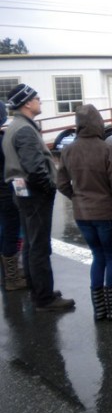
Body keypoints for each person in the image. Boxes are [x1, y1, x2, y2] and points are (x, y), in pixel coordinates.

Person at [2, 84, 75, 311]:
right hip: (34, 196)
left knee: (31, 245)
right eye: (37, 98)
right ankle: (44, 299)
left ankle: (38, 291)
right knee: (39, 246)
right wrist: (49, 187)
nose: (39, 101)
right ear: (26, 103)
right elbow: (34, 168)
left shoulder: (16, 126)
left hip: (23, 193)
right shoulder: (24, 130)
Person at [56, 104, 112, 321]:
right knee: (111, 258)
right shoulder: (107, 150)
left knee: (98, 257)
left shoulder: (68, 150)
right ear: (99, 124)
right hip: (104, 212)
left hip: (82, 214)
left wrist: (77, 198)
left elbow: (61, 184)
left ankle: (99, 310)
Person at [0, 100, 28, 291]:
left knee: (5, 232)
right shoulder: (4, 138)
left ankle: (9, 274)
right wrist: (24, 195)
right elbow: (15, 168)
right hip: (7, 192)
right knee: (12, 231)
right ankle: (12, 277)